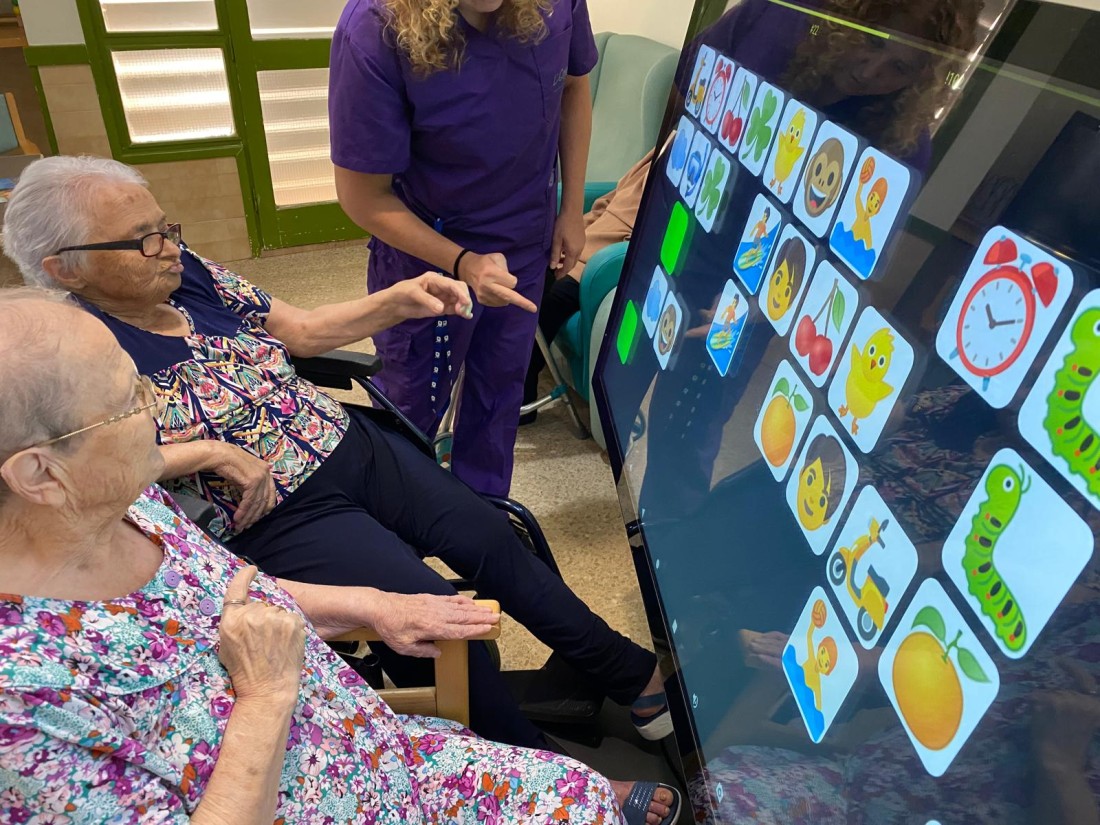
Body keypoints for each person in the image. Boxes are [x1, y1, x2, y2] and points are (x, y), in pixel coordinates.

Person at [1, 155, 671, 750]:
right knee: (433, 617)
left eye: (166, 227)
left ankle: (631, 674)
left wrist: (398, 301)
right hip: (272, 514)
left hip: (338, 438)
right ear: (65, 267)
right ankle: (527, 768)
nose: (169, 247)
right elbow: (85, 469)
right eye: (144, 239)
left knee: (491, 537)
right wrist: (205, 451)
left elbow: (298, 329)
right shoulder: (71, 353)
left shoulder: (185, 273)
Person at [0, 290, 682, 824]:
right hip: (323, 790)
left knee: (573, 789)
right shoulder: (22, 703)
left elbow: (228, 590)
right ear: (38, 472)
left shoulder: (128, 503)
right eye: (131, 401)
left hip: (382, 750)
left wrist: (373, 607)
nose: (162, 415)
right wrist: (267, 696)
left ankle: (627, 678)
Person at [329, 0, 596, 497]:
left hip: (523, 242)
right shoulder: (374, 28)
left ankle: (484, 515)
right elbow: (362, 196)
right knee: (410, 409)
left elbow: (574, 88)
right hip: (426, 255)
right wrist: (462, 261)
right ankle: (404, 523)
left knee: (499, 398)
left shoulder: (557, 6)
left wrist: (571, 208)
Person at [523, 150, 654, 419]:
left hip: (604, 256)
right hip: (585, 238)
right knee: (523, 282)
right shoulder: (665, 146)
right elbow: (614, 196)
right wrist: (579, 227)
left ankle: (521, 400)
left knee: (549, 303)